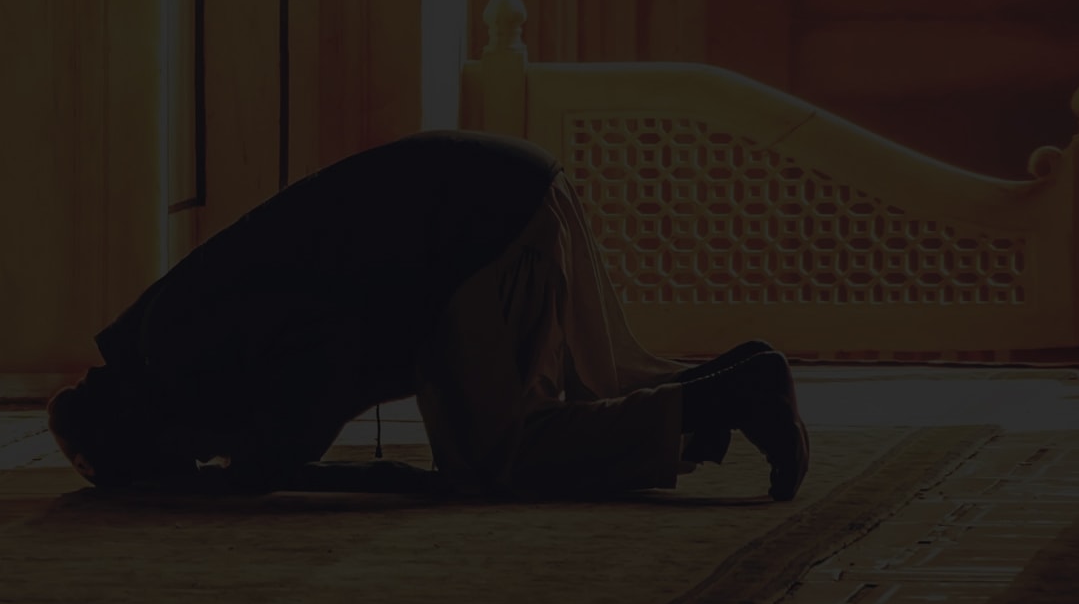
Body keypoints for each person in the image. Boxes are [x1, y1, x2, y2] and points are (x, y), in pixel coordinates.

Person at [47, 130, 810, 501]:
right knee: (593, 395)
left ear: (145, 427)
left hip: (476, 225)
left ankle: (734, 396)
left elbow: (328, 352)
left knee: (497, 457)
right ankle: (735, 379)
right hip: (500, 192)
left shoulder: (174, 347)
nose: (193, 459)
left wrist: (265, 464)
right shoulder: (162, 335)